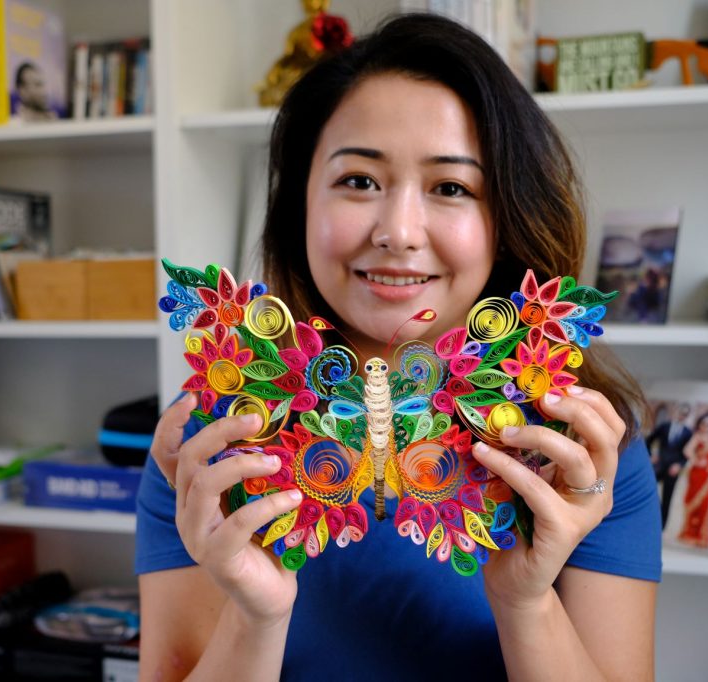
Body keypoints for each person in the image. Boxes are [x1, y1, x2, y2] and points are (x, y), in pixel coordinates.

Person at [137, 14, 661, 682]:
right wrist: (254, 616)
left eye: (451, 187)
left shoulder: (579, 451)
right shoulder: (208, 440)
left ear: (506, 217)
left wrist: (526, 601)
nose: (398, 231)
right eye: (358, 180)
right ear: (299, 201)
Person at [646, 402, 694, 528]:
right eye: (680, 412)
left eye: (685, 414)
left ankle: (662, 526)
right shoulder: (664, 426)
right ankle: (648, 519)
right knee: (648, 490)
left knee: (667, 498)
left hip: (673, 470)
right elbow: (649, 440)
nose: (682, 416)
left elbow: (687, 454)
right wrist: (651, 455)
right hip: (659, 466)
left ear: (687, 416)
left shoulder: (688, 433)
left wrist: (679, 465)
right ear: (676, 412)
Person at [678, 410, 708, 548]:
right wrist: (696, 460)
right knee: (693, 502)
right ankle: (690, 534)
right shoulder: (697, 437)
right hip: (696, 475)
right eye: (703, 424)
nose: (705, 427)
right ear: (699, 425)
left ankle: (701, 536)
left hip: (707, 478)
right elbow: (687, 450)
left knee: (705, 504)